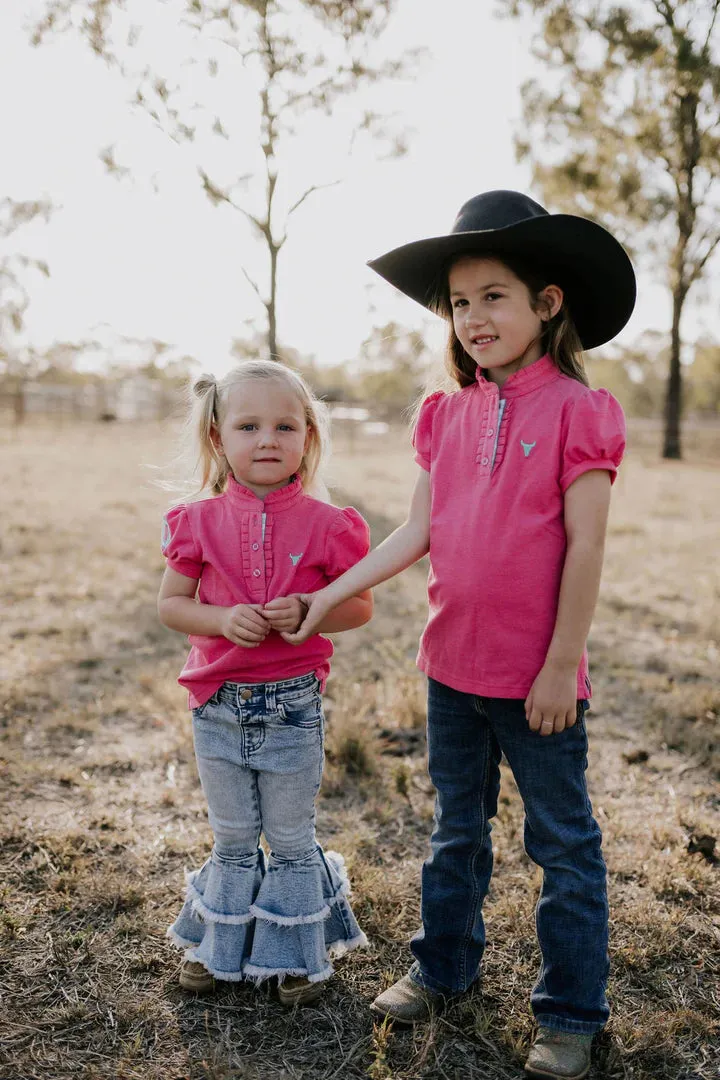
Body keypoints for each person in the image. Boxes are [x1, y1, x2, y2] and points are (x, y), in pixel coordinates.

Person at [284, 191, 636, 1078]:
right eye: (460, 301)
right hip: (452, 670)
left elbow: (586, 545)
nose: (473, 317)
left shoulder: (579, 412)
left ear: (546, 303)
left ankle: (568, 1015)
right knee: (454, 832)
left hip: (537, 682)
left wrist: (562, 664)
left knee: (563, 847)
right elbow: (417, 534)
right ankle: (441, 969)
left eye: (494, 296)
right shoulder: (445, 414)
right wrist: (328, 596)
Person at [158, 359, 373, 1005]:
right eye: (248, 426)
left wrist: (312, 611)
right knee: (230, 839)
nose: (268, 440)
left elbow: (358, 607)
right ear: (218, 438)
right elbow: (172, 604)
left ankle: (297, 955)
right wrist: (221, 617)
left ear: (307, 436)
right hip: (216, 706)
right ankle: (218, 944)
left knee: (288, 840)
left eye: (285, 425)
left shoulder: (330, 524)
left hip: (291, 708)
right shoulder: (195, 521)